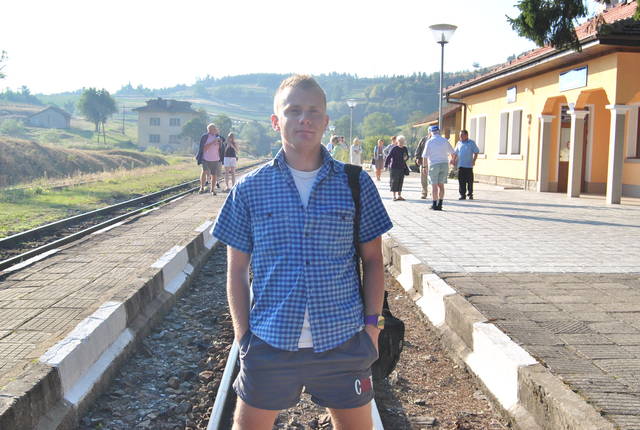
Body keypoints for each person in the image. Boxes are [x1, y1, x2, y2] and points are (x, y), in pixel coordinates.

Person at [212, 75, 392, 430]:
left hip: (343, 342)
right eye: (293, 110)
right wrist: (243, 338)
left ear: (326, 122)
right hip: (270, 342)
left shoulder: (356, 183)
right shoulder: (249, 189)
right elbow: (236, 270)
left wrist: (372, 328)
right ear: (276, 121)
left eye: (313, 112)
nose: (304, 119)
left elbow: (373, 261)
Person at [422, 125, 454, 211]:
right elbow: (453, 152)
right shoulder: (445, 140)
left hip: (434, 164)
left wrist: (424, 167)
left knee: (434, 186)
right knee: (441, 185)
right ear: (439, 131)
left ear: (430, 132)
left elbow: (424, 156)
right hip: (444, 164)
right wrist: (452, 160)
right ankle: (440, 204)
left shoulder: (429, 141)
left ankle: (434, 204)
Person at [195, 124, 225, 195]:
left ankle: (212, 189)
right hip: (205, 158)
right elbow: (203, 148)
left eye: (215, 129)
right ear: (209, 130)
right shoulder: (205, 137)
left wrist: (220, 142)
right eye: (214, 129)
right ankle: (202, 188)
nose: (215, 130)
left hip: (215, 158)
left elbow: (221, 146)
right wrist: (213, 142)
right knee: (204, 171)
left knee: (214, 174)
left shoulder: (218, 137)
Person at [452, 129, 480, 200]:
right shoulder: (459, 143)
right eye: (459, 135)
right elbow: (455, 153)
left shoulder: (471, 143)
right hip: (460, 165)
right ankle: (462, 195)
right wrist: (453, 160)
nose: (460, 136)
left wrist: (474, 160)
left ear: (466, 135)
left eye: (461, 135)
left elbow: (476, 152)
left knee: (470, 181)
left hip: (469, 166)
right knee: (461, 181)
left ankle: (470, 194)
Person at [384, 135, 409, 201]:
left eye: (402, 141)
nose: (401, 142)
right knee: (394, 181)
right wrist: (385, 166)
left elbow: (407, 156)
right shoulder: (394, 148)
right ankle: (394, 196)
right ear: (397, 141)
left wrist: (406, 158)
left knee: (400, 181)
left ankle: (399, 195)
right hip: (394, 167)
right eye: (400, 141)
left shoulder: (405, 148)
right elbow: (389, 157)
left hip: (402, 167)